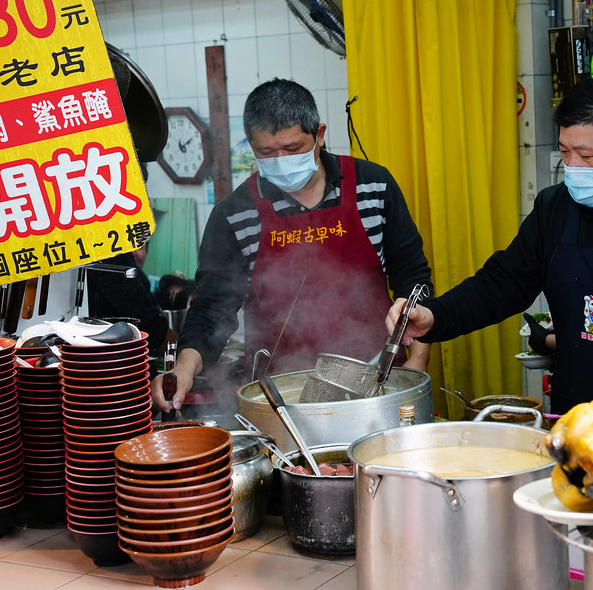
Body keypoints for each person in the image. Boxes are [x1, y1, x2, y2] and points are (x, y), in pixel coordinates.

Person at [386, 78, 593, 420]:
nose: (572, 167)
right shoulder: (556, 209)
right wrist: (435, 316)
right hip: (575, 424)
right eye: (564, 152)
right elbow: (502, 283)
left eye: (586, 155)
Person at [153, 79, 433, 415]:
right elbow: (212, 311)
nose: (281, 161)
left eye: (293, 148)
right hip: (279, 395)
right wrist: (183, 368)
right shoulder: (234, 214)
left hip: (379, 380)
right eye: (267, 153)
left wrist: (416, 364)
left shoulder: (373, 186)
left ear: (320, 134)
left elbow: (413, 281)